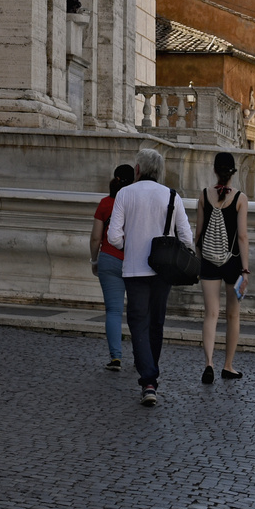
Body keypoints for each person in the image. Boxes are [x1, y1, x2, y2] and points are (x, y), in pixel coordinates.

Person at [106, 147, 193, 406]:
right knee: (156, 322)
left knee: (138, 322)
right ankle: (150, 374)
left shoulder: (125, 194)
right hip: (162, 269)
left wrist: (129, 245)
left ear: (138, 170)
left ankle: (148, 379)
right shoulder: (172, 196)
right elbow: (186, 238)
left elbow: (113, 237)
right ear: (160, 171)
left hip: (134, 269)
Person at [196, 151, 249, 382]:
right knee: (232, 315)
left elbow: (197, 233)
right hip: (232, 262)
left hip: (208, 261)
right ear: (233, 173)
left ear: (215, 170)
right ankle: (228, 366)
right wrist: (245, 270)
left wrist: (200, 258)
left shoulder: (204, 195)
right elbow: (243, 237)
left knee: (211, 314)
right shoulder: (240, 198)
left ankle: (209, 363)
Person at [88, 163, 134, 371]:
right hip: (134, 261)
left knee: (113, 311)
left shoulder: (106, 203)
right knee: (137, 311)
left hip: (109, 258)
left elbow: (96, 237)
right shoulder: (135, 203)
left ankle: (116, 358)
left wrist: (94, 260)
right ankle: (140, 356)